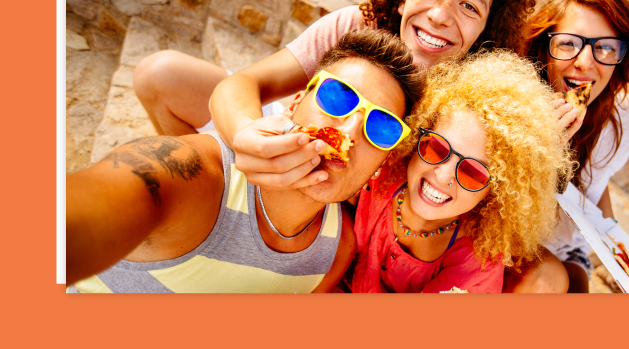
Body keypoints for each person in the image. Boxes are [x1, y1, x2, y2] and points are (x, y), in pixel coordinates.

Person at [133, 0, 546, 190]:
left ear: (487, 30)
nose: (440, 16)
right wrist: (248, 134)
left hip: (344, 207)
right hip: (293, 134)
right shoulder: (352, 25)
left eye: (469, 6)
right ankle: (199, 190)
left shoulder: (475, 103)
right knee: (160, 74)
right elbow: (243, 84)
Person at [66, 30, 424, 293]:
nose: (349, 131)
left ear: (381, 165)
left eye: (382, 126)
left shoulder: (338, 251)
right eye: (337, 96)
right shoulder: (187, 175)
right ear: (295, 103)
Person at [350, 51, 572, 293]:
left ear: (495, 192)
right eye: (436, 148)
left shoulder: (478, 266)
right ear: (417, 135)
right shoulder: (376, 176)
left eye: (472, 172)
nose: (443, 176)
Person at [505, 0, 629, 293]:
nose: (584, 63)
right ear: (545, 46)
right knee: (547, 283)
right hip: (504, 233)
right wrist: (541, 143)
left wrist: (616, 239)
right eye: (569, 43)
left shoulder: (628, 116)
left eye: (606, 48)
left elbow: (598, 176)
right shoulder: (510, 96)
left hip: (563, 243)